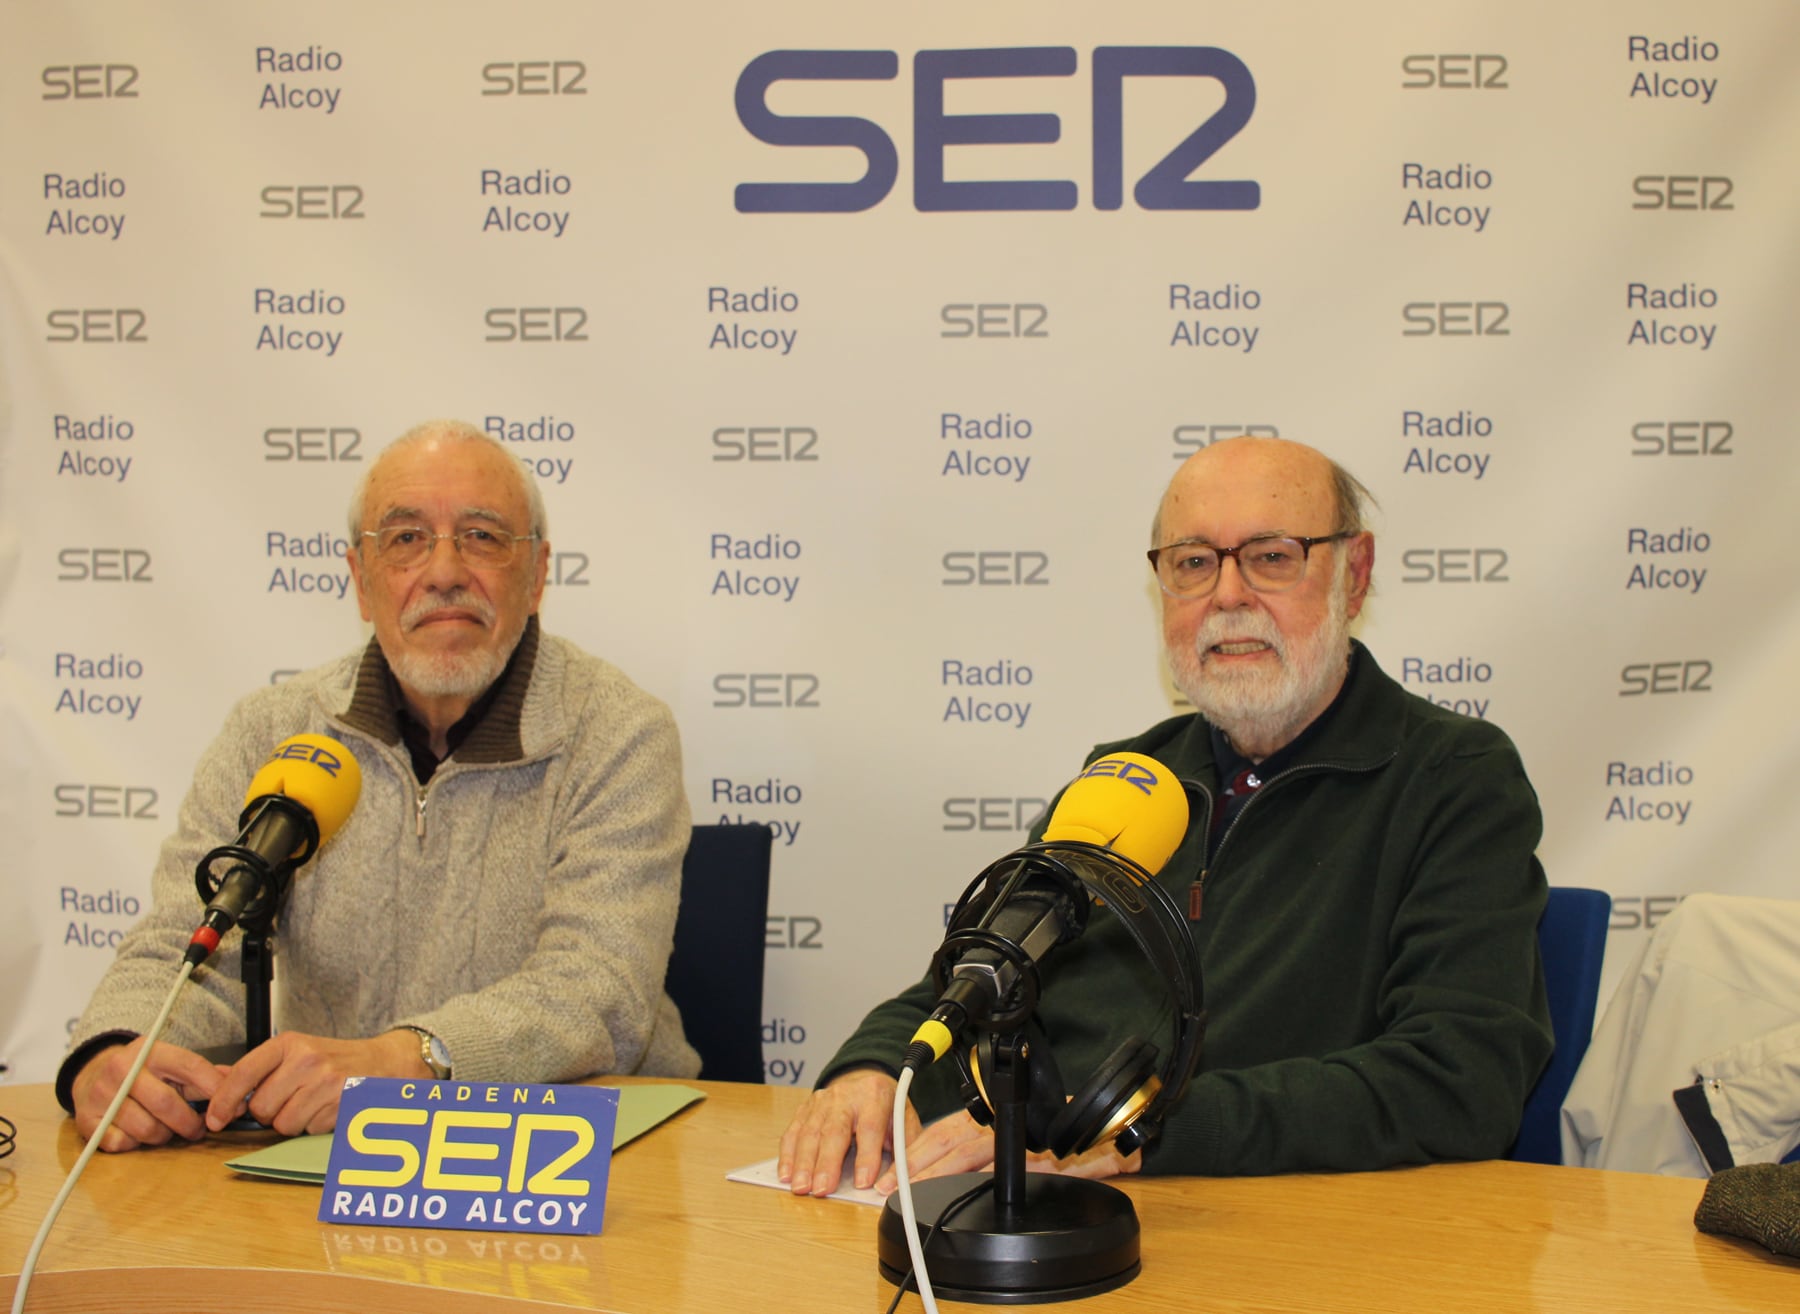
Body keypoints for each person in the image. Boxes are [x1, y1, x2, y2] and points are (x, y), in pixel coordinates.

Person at [780, 435, 1553, 1191]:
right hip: (1056, 1206)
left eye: (1271, 556)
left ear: (1355, 575)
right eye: (1193, 563)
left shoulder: (1453, 778)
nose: (1228, 595)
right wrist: (871, 1068)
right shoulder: (1125, 778)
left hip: (1294, 1230)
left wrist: (1134, 1133)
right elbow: (974, 982)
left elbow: (1463, 1077)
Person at [59, 419, 698, 1151]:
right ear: (361, 581)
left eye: (482, 536)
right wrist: (114, 1050)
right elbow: (190, 943)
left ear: (538, 575)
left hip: (575, 1155)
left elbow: (599, 988)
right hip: (327, 1155)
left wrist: (407, 1060)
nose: (444, 570)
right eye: (405, 539)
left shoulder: (617, 730)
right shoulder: (272, 730)